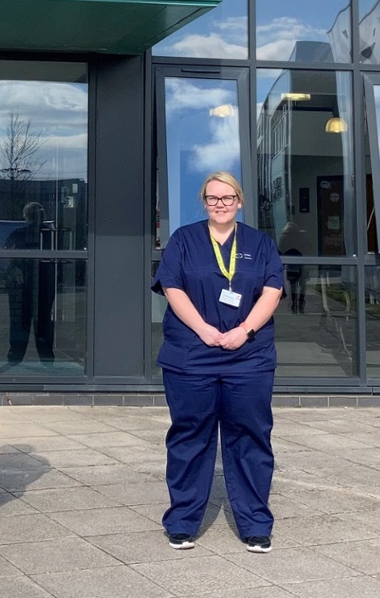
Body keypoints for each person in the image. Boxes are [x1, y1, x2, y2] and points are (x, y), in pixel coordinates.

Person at [152, 171, 284, 553]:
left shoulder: (260, 243)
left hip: (249, 357)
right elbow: (172, 287)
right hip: (192, 356)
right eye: (212, 199)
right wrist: (204, 330)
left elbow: (273, 289)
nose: (220, 204)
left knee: (250, 437)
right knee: (190, 437)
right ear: (204, 202)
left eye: (227, 198)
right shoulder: (184, 240)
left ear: (239, 201)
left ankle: (255, 524)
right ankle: (182, 522)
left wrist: (244, 330)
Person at [3, 202, 56, 364]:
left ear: (25, 216)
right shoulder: (50, 234)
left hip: (21, 286)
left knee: (19, 321)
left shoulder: (18, 233)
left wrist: (12, 271)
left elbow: (5, 258)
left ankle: (15, 358)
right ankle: (47, 360)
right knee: (44, 321)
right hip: (44, 284)